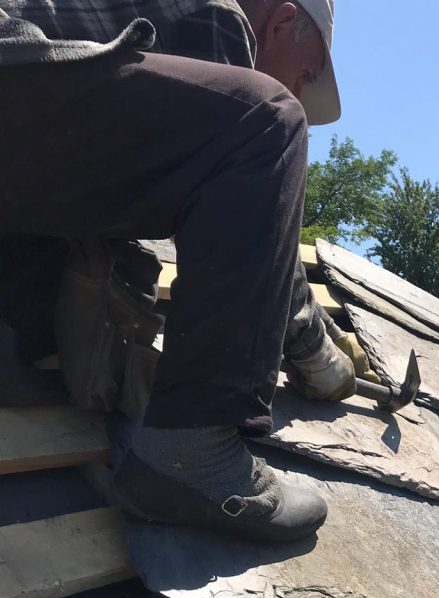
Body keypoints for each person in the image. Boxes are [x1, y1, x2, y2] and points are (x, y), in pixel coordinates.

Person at [0, 0, 367, 542]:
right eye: (308, 71)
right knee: (268, 120)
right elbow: (257, 223)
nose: (302, 86)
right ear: (284, 22)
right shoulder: (215, 13)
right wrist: (319, 353)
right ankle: (189, 456)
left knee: (108, 263)